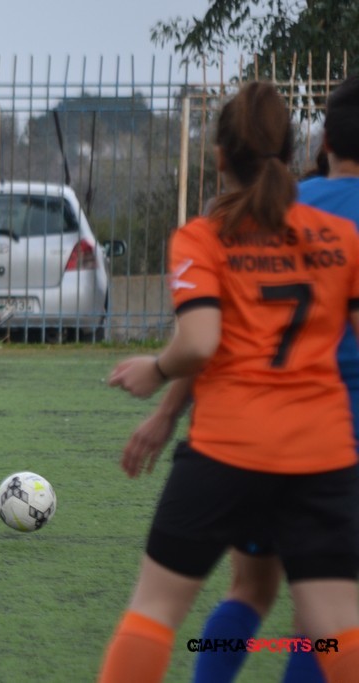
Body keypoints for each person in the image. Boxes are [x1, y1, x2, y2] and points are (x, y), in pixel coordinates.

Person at [101, 81, 359, 683]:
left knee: (157, 611)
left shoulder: (205, 235)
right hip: (322, 451)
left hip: (227, 448)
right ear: (295, 150)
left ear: (219, 157)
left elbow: (200, 342)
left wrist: (155, 371)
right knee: (335, 629)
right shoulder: (339, 238)